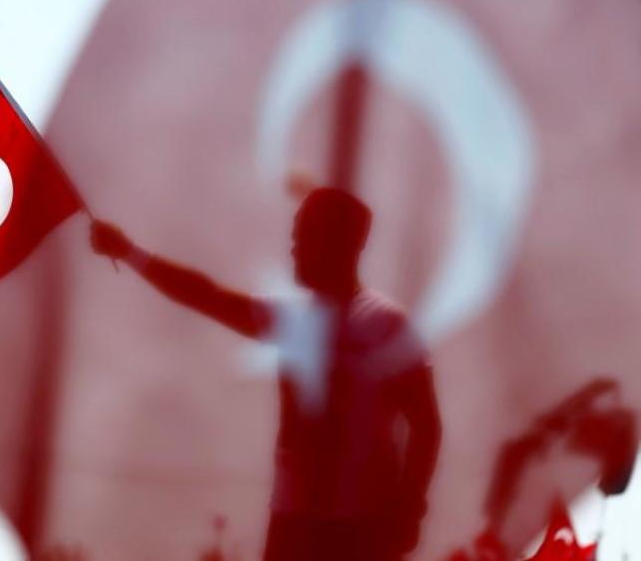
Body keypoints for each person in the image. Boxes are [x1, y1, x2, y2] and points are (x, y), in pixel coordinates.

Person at [91, 186, 441, 560]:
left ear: (339, 243)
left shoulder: (386, 324)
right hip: (292, 525)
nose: (293, 248)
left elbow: (426, 424)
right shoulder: (292, 320)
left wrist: (409, 511)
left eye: (303, 236)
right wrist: (128, 251)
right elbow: (205, 295)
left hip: (360, 532)